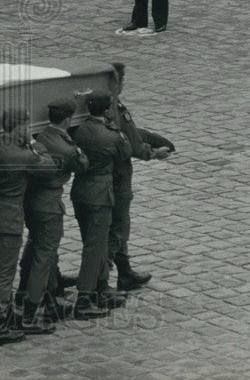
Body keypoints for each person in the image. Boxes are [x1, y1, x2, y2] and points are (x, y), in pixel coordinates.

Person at [0, 109, 57, 346]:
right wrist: (33, 143)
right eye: (27, 126)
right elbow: (50, 167)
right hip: (8, 220)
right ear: (20, 127)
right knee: (4, 275)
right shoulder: (22, 154)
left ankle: (1, 315)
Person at [18, 96, 90, 329]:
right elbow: (83, 164)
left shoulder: (40, 136)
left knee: (35, 245)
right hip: (49, 206)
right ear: (68, 120)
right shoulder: (65, 147)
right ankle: (32, 308)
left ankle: (32, 293)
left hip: (30, 202)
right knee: (44, 255)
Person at [106, 63, 174, 292]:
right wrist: (153, 152)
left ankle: (123, 271)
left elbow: (130, 134)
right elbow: (129, 143)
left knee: (114, 225)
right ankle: (101, 279)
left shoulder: (101, 105)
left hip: (109, 173)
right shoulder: (113, 107)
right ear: (117, 83)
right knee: (117, 225)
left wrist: (149, 136)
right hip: (117, 174)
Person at [69, 92, 128, 318]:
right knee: (95, 247)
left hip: (80, 191)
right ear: (106, 111)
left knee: (95, 242)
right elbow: (125, 154)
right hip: (100, 196)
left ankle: (100, 288)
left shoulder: (78, 130)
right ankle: (84, 298)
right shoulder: (112, 136)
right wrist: (113, 125)